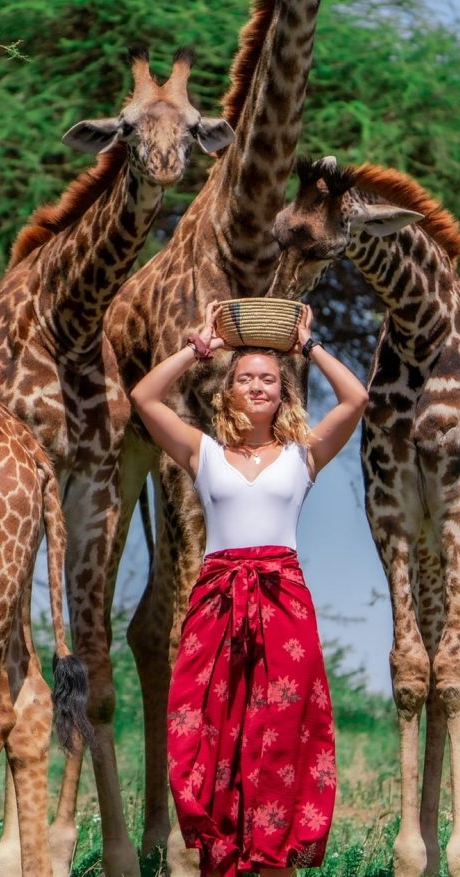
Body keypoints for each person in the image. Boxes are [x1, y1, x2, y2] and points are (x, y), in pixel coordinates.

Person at [130, 301, 368, 877]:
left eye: (268, 379)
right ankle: (218, 855)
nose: (258, 386)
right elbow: (143, 398)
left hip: (283, 601)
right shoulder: (200, 451)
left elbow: (356, 399)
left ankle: (273, 859)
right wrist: (198, 347)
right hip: (215, 601)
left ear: (282, 393)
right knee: (206, 731)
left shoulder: (303, 454)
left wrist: (306, 346)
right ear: (228, 392)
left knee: (281, 732)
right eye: (246, 379)